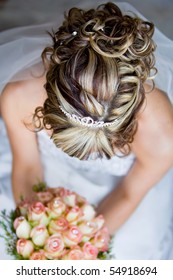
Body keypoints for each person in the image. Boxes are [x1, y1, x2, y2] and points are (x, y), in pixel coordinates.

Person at [0, 1, 173, 260]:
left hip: (122, 190)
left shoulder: (161, 133)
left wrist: (82, 249)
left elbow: (130, 192)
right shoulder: (19, 97)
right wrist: (38, 232)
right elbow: (26, 166)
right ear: (46, 106)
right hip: (47, 174)